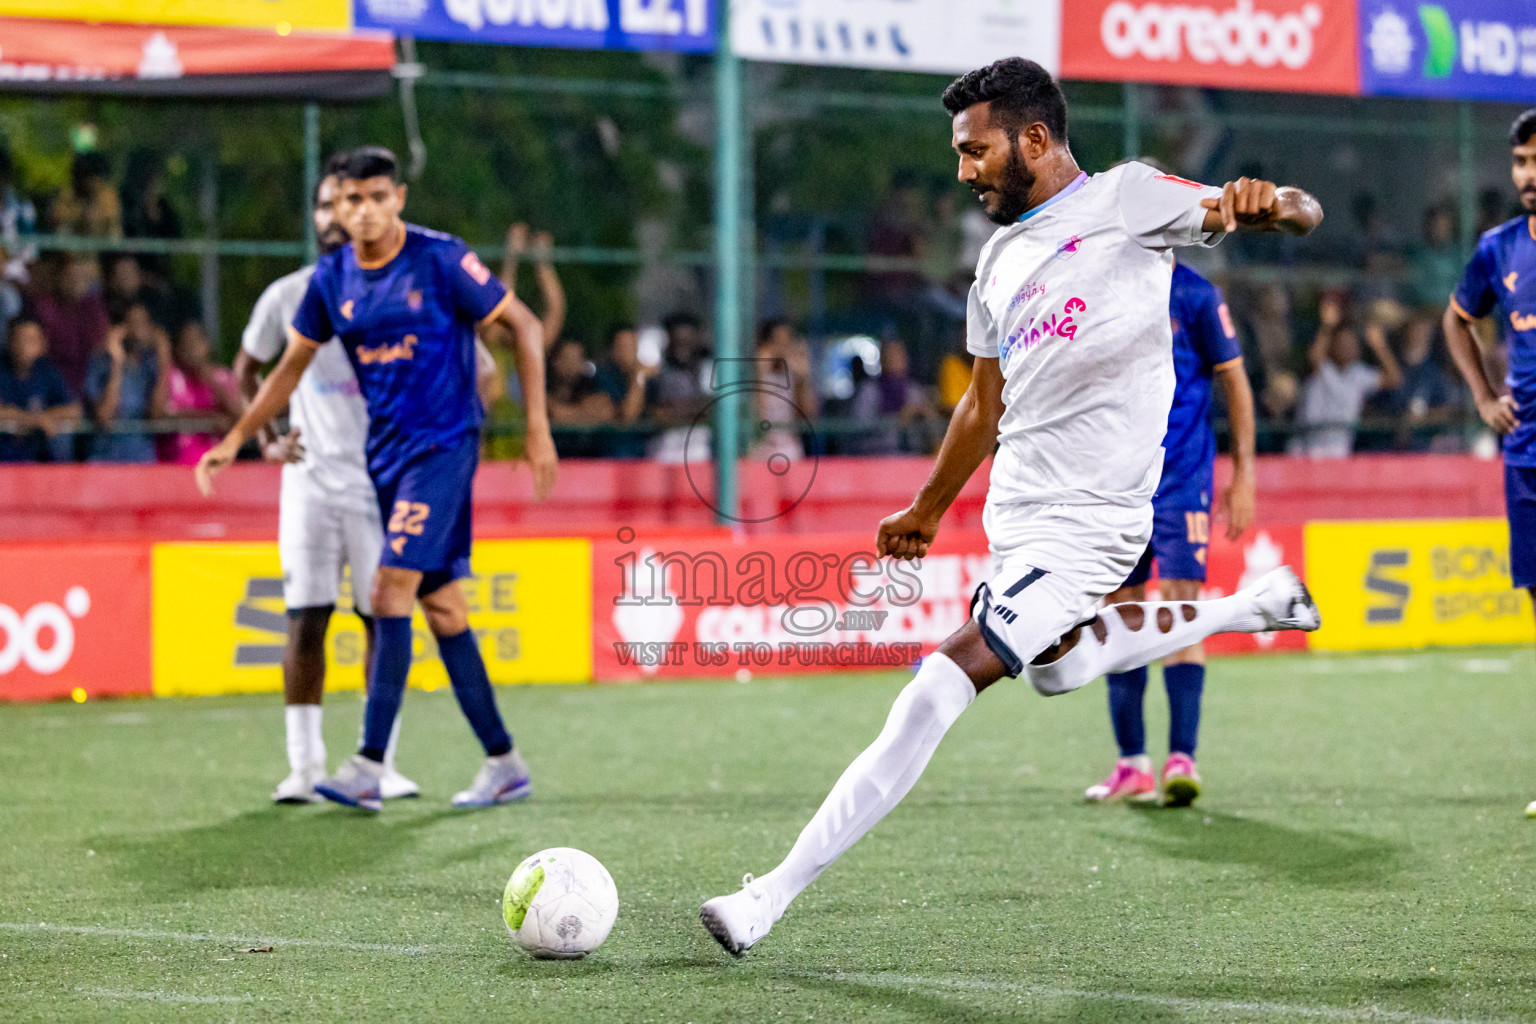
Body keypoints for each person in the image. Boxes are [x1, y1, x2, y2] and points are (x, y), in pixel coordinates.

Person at [698, 57, 1323, 957]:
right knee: (1057, 669)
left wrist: (1281, 205)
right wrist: (926, 508)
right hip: (1018, 522)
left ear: (1034, 138)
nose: (964, 170)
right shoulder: (995, 262)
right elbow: (981, 407)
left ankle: (769, 896)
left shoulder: (1129, 198)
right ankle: (1254, 606)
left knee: (936, 689)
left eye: (975, 149)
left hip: (1094, 521)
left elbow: (1277, 207)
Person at [197, 146, 557, 813]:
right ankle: (505, 761)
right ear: (336, 205)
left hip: (444, 449)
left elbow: (526, 326)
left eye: (374, 197)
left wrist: (536, 426)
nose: (360, 211)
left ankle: (367, 763)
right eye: (348, 199)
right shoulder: (332, 279)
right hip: (385, 458)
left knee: (387, 592)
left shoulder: (440, 258)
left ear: (399, 199)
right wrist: (239, 437)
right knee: (444, 610)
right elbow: (287, 369)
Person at [1085, 251, 1258, 807]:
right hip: (1117, 482)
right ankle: (1132, 764)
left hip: (1183, 478)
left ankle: (1182, 757)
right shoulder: (1101, 286)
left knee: (1182, 611)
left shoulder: (1196, 294)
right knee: (1122, 615)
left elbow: (1234, 380)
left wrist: (1243, 473)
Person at [1442, 108, 1536, 818]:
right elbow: (1457, 319)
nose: (1528, 176)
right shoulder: (1500, 248)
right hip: (1525, 455)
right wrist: (1482, 396)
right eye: (1521, 163)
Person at [1292, 296, 1402, 457]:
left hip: (1340, 452)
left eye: (1351, 343)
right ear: (1332, 345)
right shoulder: (1323, 368)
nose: (1347, 347)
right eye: (1342, 343)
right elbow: (1314, 358)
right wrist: (1327, 327)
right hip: (1307, 450)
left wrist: (1379, 346)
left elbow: (1394, 379)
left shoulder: (1359, 374)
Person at [86, 302, 167, 463]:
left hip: (142, 455)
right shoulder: (100, 363)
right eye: (134, 323)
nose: (139, 330)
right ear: (121, 329)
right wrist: (117, 362)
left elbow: (157, 416)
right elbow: (105, 417)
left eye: (143, 323)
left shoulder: (149, 365)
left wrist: (164, 355)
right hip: (107, 456)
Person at [160, 320, 241, 465]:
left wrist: (213, 383)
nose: (192, 348)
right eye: (186, 343)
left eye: (196, 341)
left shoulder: (221, 376)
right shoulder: (172, 377)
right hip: (179, 463)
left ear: (207, 345)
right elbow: (164, 414)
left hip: (219, 462)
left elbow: (238, 416)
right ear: (178, 350)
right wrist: (210, 419)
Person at [0, 318, 79, 462]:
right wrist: (36, 420)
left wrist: (46, 417)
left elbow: (74, 410)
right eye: (19, 339)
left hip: (38, 458)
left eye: (31, 340)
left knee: (62, 442)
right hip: (5, 459)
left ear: (42, 344)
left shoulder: (46, 370)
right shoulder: (2, 369)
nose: (24, 346)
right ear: (9, 341)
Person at [32, 254, 109, 399]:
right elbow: (44, 350)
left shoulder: (93, 306)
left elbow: (99, 347)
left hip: (87, 377)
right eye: (72, 276)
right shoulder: (45, 305)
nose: (77, 282)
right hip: (54, 378)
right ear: (60, 276)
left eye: (82, 277)